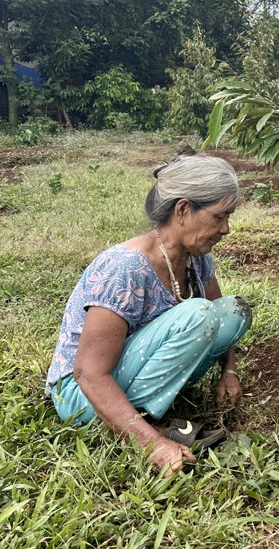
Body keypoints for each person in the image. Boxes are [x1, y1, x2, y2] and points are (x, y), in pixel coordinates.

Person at [46, 149, 253, 475]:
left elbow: (220, 309)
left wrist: (229, 371)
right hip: (83, 395)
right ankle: (147, 427)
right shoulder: (125, 268)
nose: (226, 228)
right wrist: (150, 443)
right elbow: (88, 373)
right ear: (183, 209)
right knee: (199, 313)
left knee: (234, 311)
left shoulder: (196, 254)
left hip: (121, 375)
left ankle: (151, 413)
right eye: (219, 216)